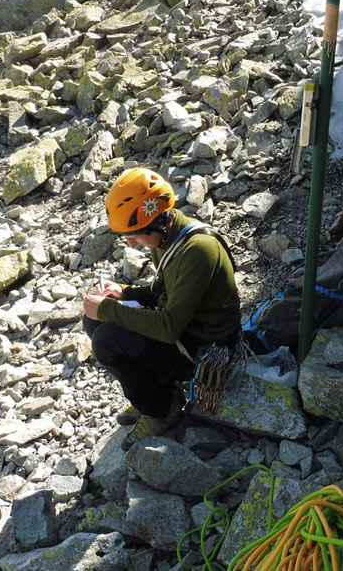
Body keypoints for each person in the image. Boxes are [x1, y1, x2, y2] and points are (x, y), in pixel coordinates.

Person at [82, 167, 242, 450]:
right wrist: (124, 293)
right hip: (186, 329)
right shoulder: (167, 237)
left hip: (206, 349)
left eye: (135, 234)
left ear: (157, 223)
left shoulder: (197, 250)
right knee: (92, 323)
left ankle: (161, 409)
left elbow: (168, 328)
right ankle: (151, 393)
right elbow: (162, 292)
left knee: (106, 339)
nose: (131, 242)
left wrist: (108, 309)